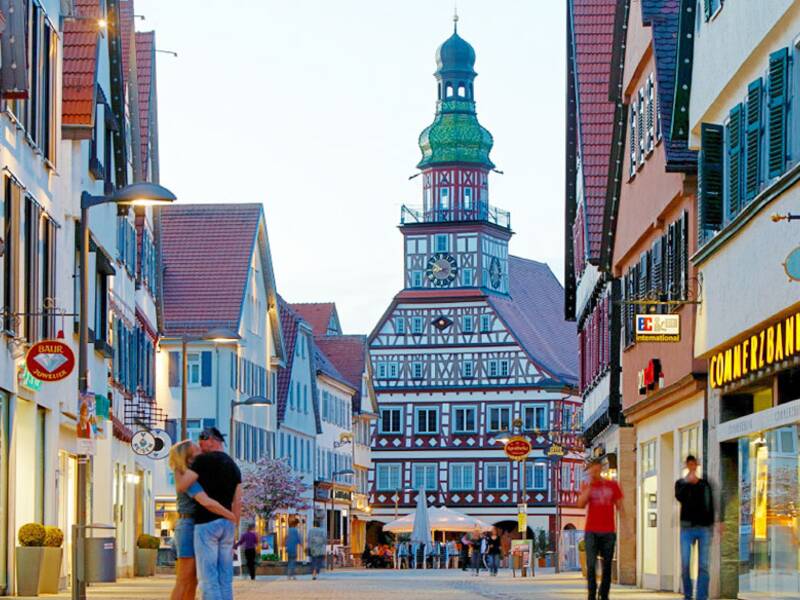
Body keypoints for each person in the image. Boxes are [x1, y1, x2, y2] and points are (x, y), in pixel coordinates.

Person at [168, 440, 237, 600]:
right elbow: (205, 501)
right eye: (198, 451)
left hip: (197, 525)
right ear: (189, 457)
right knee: (184, 579)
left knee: (192, 580)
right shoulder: (186, 476)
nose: (203, 452)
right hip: (188, 526)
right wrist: (230, 515)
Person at [192, 427, 242, 600]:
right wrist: (234, 523)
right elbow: (238, 500)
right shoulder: (233, 465)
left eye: (201, 442)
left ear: (212, 440)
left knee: (208, 577)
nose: (200, 446)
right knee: (225, 578)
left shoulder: (201, 462)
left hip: (206, 522)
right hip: (227, 523)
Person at [577, 458, 626, 600]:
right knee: (591, 565)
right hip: (591, 531)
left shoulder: (612, 485)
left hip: (608, 531)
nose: (595, 472)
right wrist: (591, 487)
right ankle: (591, 594)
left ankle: (604, 594)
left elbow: (620, 507)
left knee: (607, 566)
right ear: (590, 470)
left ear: (601, 469)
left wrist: (626, 527)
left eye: (597, 469)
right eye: (593, 469)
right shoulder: (587, 485)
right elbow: (580, 504)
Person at [675, 455, 714, 600]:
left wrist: (715, 524)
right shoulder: (680, 484)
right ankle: (688, 594)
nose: (692, 467)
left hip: (704, 528)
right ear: (686, 466)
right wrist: (687, 482)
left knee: (703, 565)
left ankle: (702, 596)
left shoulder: (704, 484)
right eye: (689, 464)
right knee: (685, 563)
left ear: (696, 465)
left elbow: (710, 504)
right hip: (687, 528)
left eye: (694, 464)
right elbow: (679, 497)